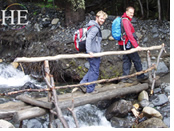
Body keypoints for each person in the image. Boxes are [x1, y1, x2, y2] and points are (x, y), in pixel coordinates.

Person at [79, 10, 108, 93]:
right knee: (95, 71)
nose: (102, 20)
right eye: (101, 18)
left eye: (104, 19)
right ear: (97, 17)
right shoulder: (95, 28)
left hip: (93, 52)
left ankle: (83, 83)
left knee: (92, 69)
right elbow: (88, 39)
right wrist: (89, 51)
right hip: (93, 53)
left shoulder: (92, 26)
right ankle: (90, 89)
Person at [118, 6, 148, 83]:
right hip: (128, 44)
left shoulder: (124, 19)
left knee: (127, 60)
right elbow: (129, 34)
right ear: (126, 12)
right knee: (136, 59)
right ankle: (140, 76)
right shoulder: (125, 21)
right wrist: (136, 45)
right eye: (130, 12)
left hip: (123, 43)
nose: (132, 14)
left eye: (133, 13)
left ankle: (125, 77)